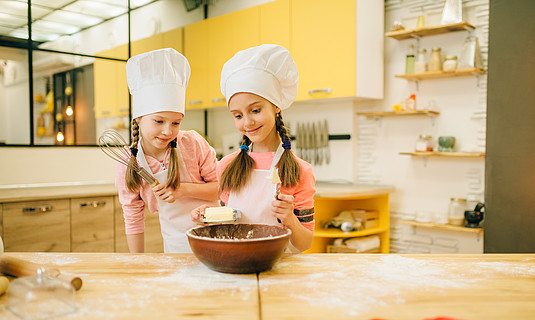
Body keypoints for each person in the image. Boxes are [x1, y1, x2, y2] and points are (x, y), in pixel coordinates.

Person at [192, 44, 315, 252]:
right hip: (234, 264)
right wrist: (207, 215)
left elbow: (305, 244)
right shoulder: (227, 166)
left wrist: (290, 220)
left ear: (276, 105)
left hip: (278, 270)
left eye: (255, 110)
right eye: (238, 115)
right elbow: (226, 223)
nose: (248, 122)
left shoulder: (300, 171)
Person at [117, 48, 219, 253]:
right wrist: (138, 262)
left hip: (216, 236)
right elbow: (133, 215)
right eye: (159, 121)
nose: (167, 131)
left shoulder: (192, 143)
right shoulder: (130, 161)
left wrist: (182, 190)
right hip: (175, 246)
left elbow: (223, 188)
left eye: (175, 122)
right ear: (138, 118)